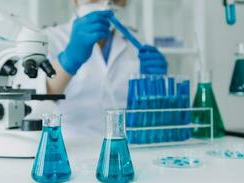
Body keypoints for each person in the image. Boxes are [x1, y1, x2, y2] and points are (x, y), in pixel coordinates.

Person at [36, 0, 168, 136]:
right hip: (70, 147)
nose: (106, 1)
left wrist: (154, 85)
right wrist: (69, 59)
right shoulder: (47, 39)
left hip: (125, 147)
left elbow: (148, 115)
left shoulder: (138, 43)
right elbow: (36, 102)